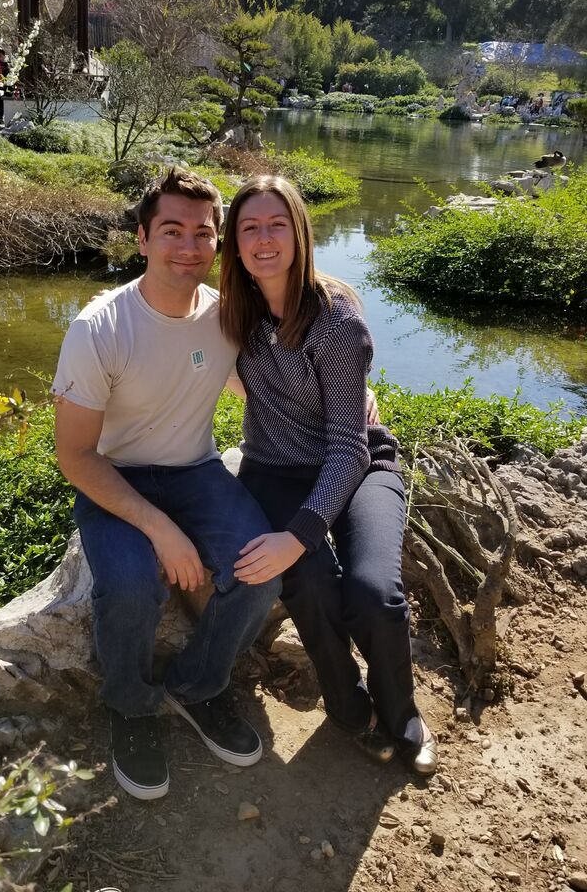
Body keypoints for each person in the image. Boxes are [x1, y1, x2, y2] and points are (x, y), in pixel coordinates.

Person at [52, 168, 282, 801]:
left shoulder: (228, 316)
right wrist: (161, 531)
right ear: (142, 237)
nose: (188, 248)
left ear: (219, 243)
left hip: (197, 470)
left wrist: (356, 393)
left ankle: (197, 686)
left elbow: (284, 359)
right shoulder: (100, 327)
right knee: (130, 584)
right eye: (172, 231)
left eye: (203, 233)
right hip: (115, 477)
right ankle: (129, 705)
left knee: (262, 570)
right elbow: (74, 456)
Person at [218, 174, 437, 776]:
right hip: (273, 470)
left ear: (300, 231)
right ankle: (347, 707)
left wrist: (297, 533)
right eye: (249, 228)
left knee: (372, 590)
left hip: (359, 462)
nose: (264, 239)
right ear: (234, 243)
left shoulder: (334, 317)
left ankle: (402, 712)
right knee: (308, 583)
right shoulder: (228, 314)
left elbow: (347, 447)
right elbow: (162, 323)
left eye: (276, 224)